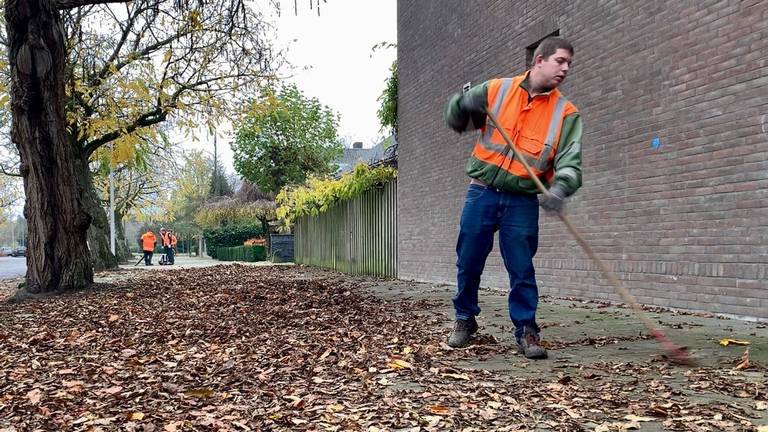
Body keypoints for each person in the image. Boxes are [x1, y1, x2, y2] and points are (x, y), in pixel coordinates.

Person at [443, 37, 583, 359]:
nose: (565, 68)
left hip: (521, 200)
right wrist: (463, 106)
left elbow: (570, 162)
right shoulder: (497, 90)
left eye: (569, 64)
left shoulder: (566, 113)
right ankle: (464, 319)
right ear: (539, 60)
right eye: (560, 61)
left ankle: (526, 331)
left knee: (521, 268)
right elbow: (455, 119)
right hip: (481, 192)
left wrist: (559, 188)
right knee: (468, 260)